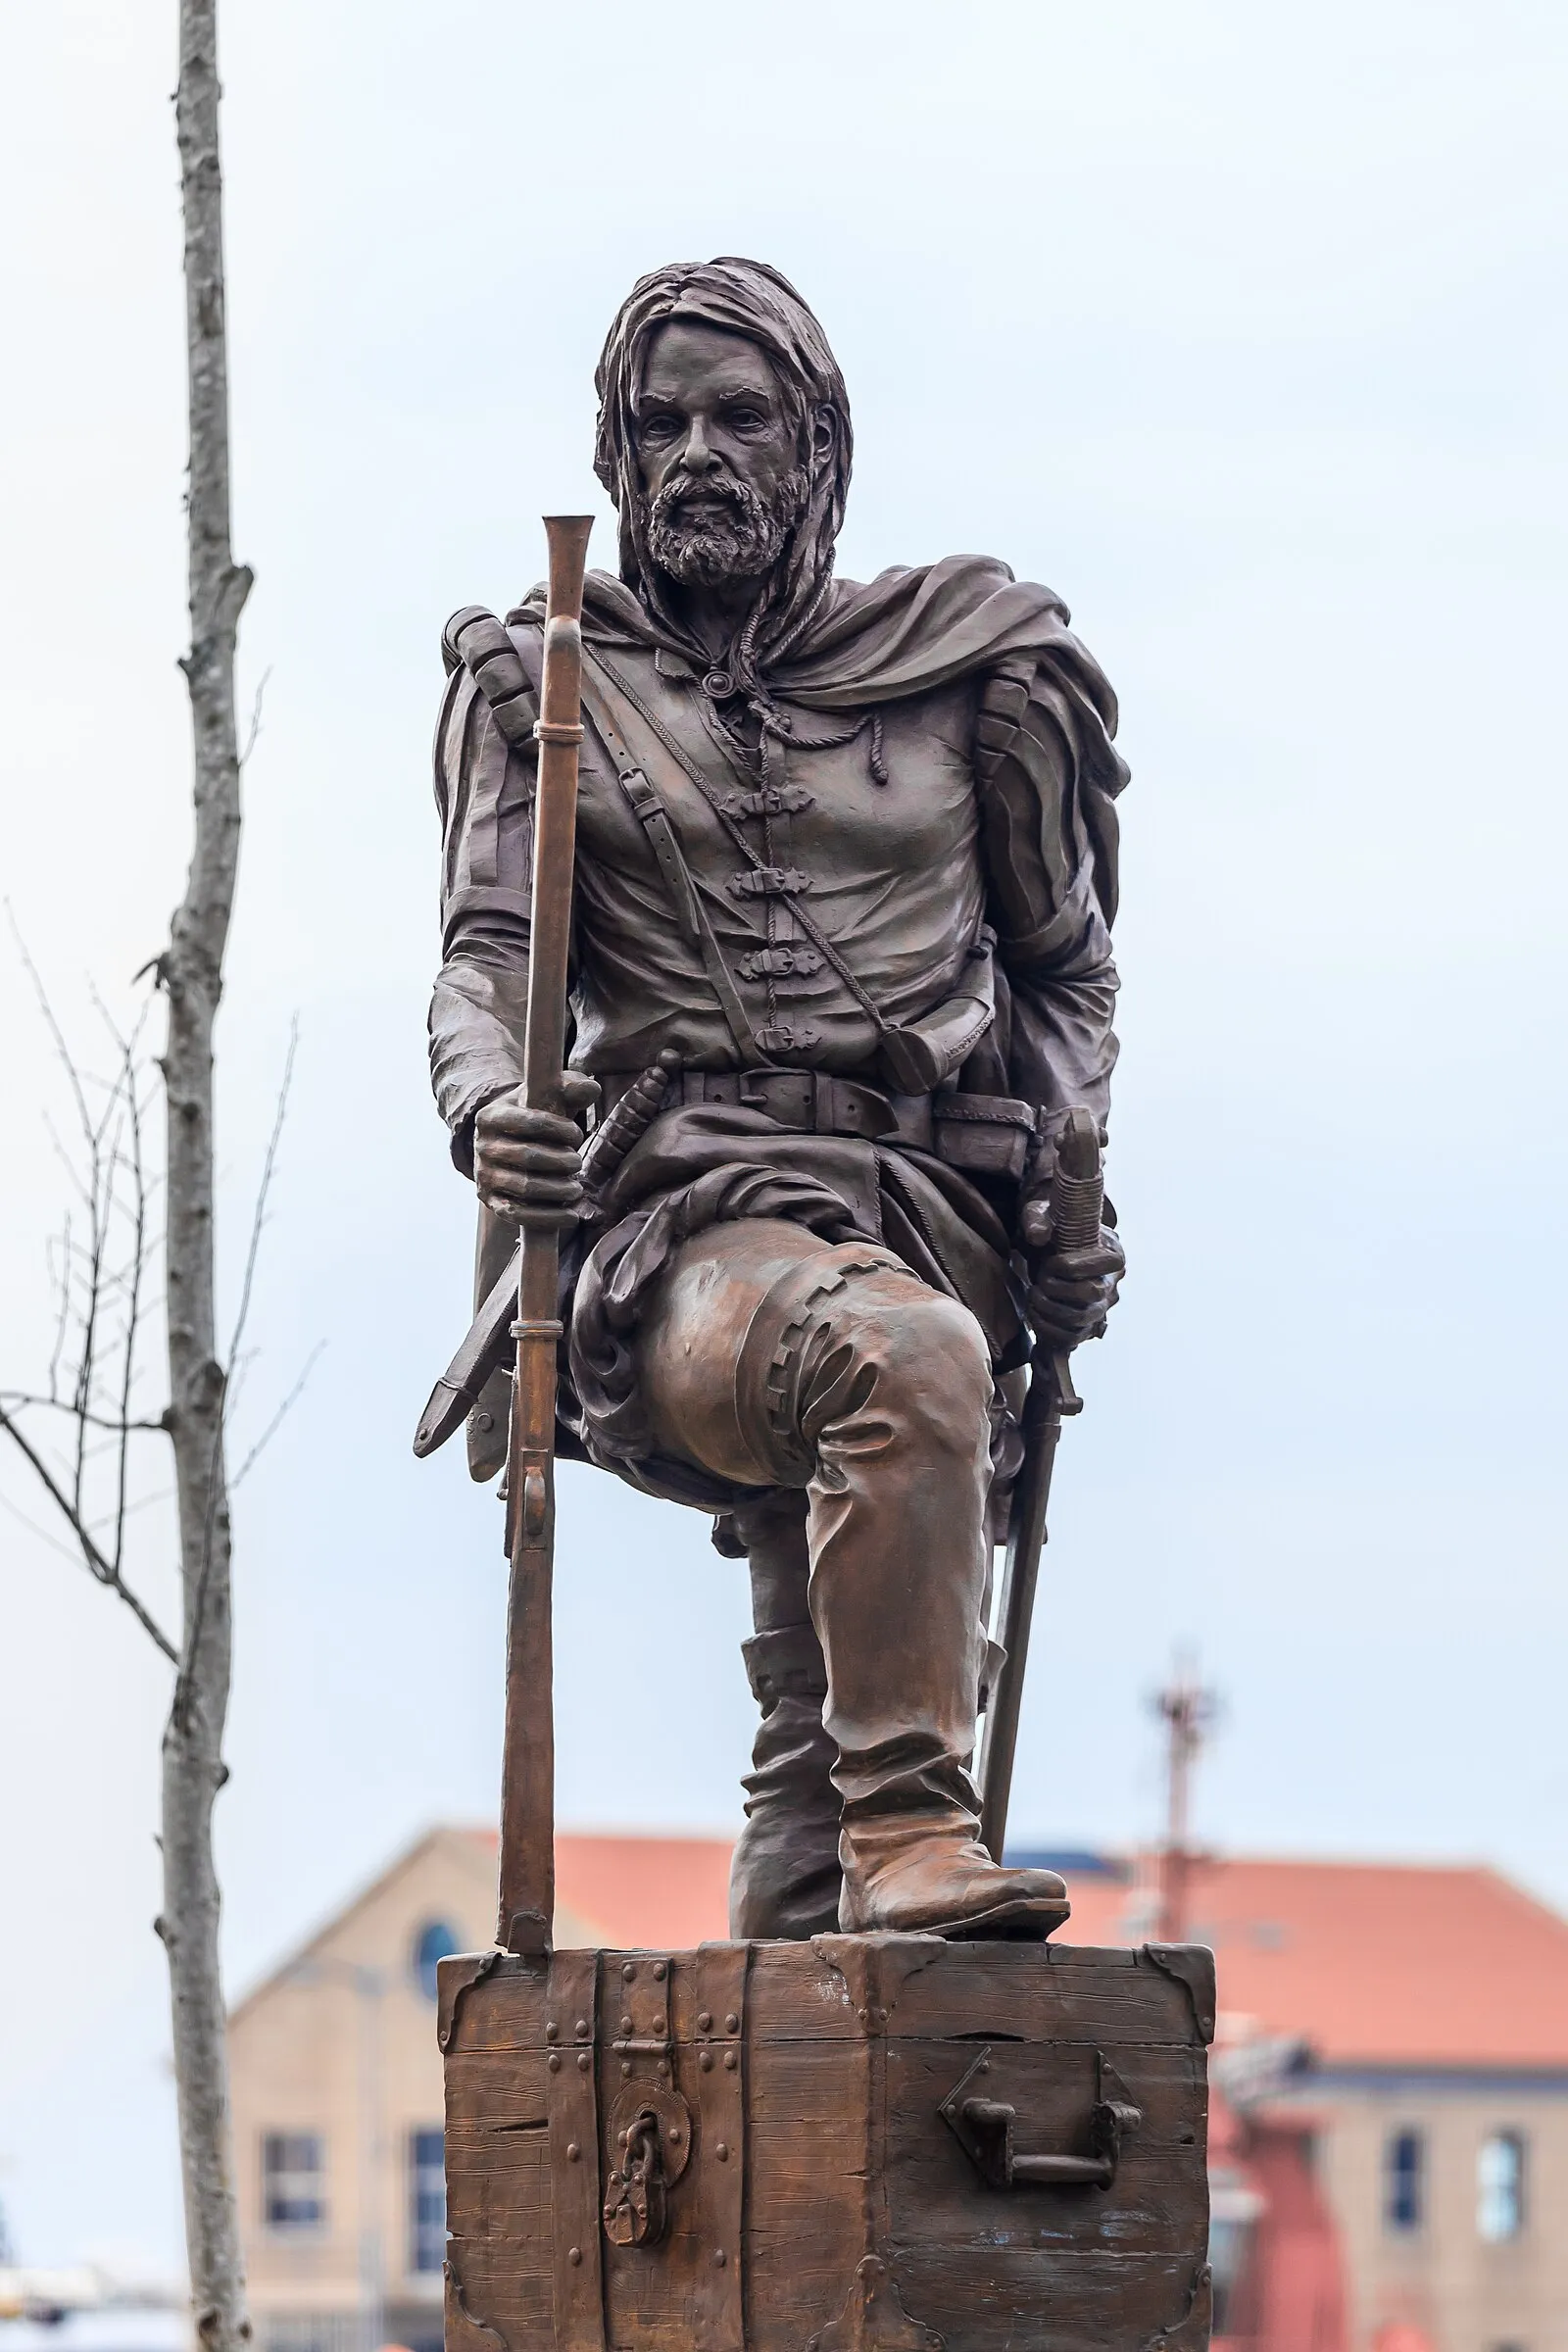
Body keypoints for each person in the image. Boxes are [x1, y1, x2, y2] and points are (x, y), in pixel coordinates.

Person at [428, 258, 1127, 1941]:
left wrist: (1068, 1177)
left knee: (809, 1721)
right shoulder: (551, 693)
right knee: (893, 1361)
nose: (697, 455)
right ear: (613, 455)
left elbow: (1065, 977)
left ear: (818, 447)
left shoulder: (978, 671)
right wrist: (484, 1108)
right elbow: (483, 960)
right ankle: (913, 1832)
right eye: (657, 423)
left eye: (740, 417)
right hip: (689, 1238)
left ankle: (804, 2068)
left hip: (935, 1214)